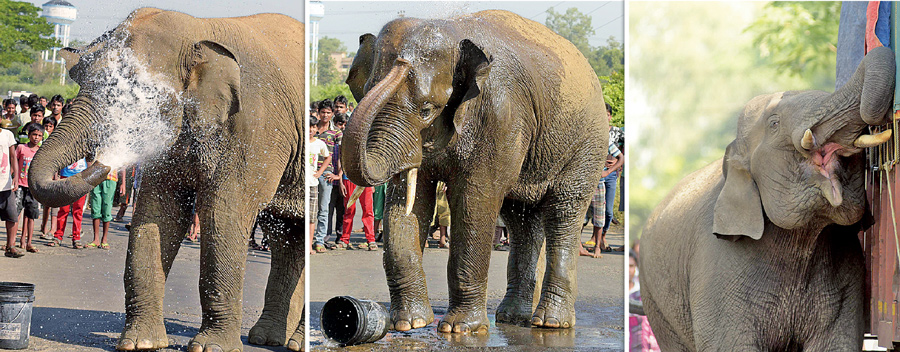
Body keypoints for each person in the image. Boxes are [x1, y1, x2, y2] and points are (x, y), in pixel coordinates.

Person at [47, 158, 88, 249]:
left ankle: (76, 237)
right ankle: (58, 236)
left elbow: (90, 159)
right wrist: (56, 174)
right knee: (63, 209)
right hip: (65, 177)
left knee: (78, 210)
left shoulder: (85, 145)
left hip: (81, 178)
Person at [14, 123, 42, 254]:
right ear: (29, 135)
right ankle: (13, 242)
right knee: (16, 214)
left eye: (39, 135)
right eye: (34, 134)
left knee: (31, 216)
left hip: (33, 187)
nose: (36, 138)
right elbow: (14, 162)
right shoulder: (21, 148)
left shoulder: (41, 151)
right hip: (20, 184)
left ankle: (28, 242)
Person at [87, 161, 123, 249]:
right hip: (95, 177)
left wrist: (123, 183)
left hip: (111, 178)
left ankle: (104, 239)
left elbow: (123, 164)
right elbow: (90, 159)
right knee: (95, 207)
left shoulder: (117, 147)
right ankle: (96, 239)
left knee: (107, 207)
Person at [308, 118, 331, 253]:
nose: (311, 130)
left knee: (312, 217)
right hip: (301, 184)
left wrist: (320, 171)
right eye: (308, 127)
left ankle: (310, 245)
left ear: (316, 129)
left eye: (313, 127)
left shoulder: (319, 144)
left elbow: (327, 157)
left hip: (313, 183)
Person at [0, 125, 20, 257]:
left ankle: (11, 246)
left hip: (5, 183)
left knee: (12, 216)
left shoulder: (7, 134)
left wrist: (16, 177)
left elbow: (13, 157)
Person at [326, 112, 346, 243]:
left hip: (343, 180)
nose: (342, 127)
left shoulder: (348, 140)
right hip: (330, 179)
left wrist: (340, 177)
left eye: (345, 124)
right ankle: (325, 237)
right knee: (328, 210)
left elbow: (344, 161)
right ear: (334, 123)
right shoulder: (330, 137)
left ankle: (340, 236)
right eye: (340, 124)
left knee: (342, 210)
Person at [38, 117, 57, 239]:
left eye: (51, 126)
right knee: (46, 202)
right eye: (46, 126)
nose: (48, 128)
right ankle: (44, 226)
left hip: (56, 172)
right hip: (44, 172)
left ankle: (53, 228)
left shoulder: (57, 140)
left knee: (55, 201)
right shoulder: (40, 140)